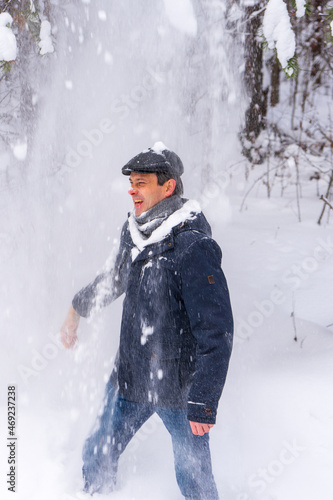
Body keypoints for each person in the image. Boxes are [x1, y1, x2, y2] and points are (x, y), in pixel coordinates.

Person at [61, 142, 233, 500]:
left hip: (178, 389)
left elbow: (217, 331)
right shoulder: (135, 233)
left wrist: (203, 401)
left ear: (167, 186)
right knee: (97, 454)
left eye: (141, 182)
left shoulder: (191, 244)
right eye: (131, 182)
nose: (132, 189)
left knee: (194, 480)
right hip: (131, 377)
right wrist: (76, 309)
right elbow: (113, 279)